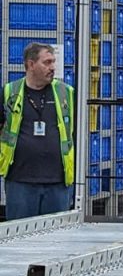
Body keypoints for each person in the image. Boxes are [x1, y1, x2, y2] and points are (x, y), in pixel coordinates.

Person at [1, 42, 76, 220]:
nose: (52, 68)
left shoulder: (66, 93)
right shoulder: (10, 92)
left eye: (53, 62)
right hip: (20, 180)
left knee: (56, 237)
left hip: (58, 182)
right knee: (20, 237)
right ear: (31, 64)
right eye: (47, 62)